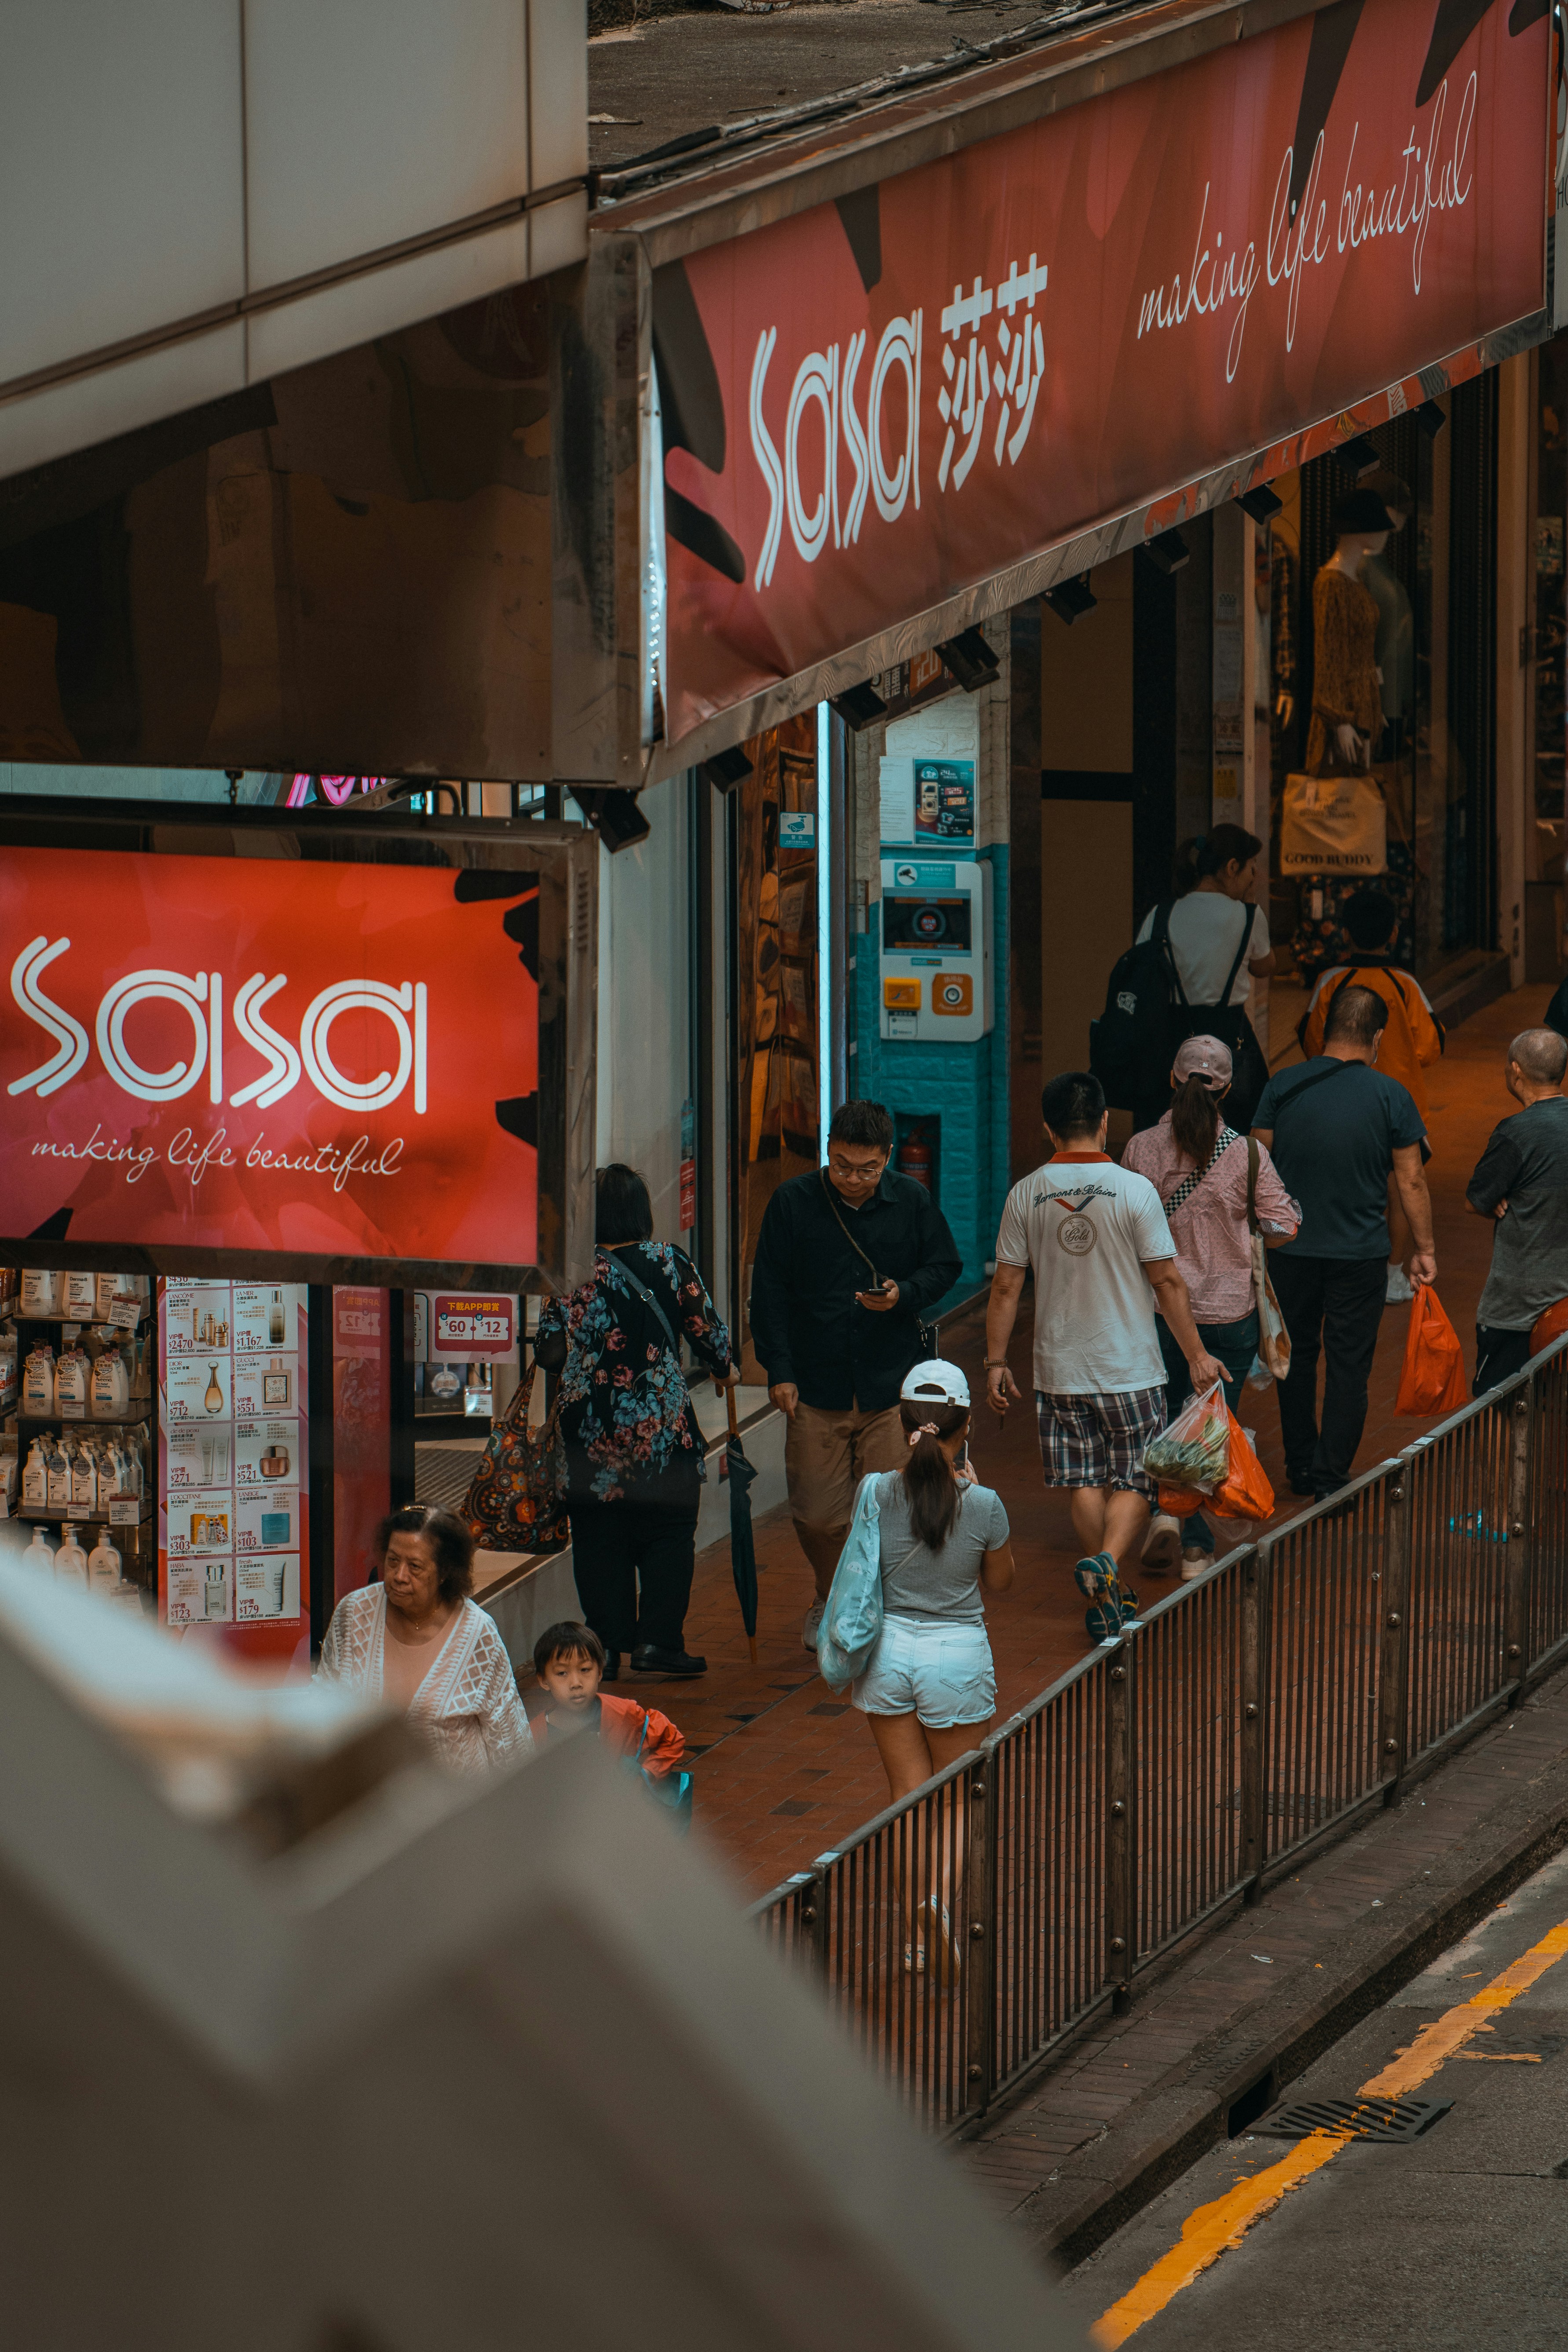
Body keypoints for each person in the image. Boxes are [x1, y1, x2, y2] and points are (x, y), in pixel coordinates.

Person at [985, 1071, 1228, 1641]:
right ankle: (1110, 1569)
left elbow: (1004, 1288)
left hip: (1058, 1369)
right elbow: (1166, 1281)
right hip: (1129, 1367)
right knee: (1137, 1483)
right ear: (1105, 1123)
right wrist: (1196, 1355)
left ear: (1047, 1129)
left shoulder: (1025, 1194)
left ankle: (1109, 1593)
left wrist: (996, 1362)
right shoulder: (1134, 1191)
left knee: (1084, 1483)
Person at [749, 1099, 961, 1654]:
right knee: (819, 1517)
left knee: (892, 1510)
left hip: (890, 1384)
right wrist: (780, 1368)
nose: (854, 1179)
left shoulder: (910, 1199)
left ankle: (874, 1610)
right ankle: (830, 1593)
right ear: (827, 1150)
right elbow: (768, 1291)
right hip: (814, 1385)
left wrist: (902, 1295)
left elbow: (944, 1265)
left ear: (887, 1157)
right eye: (843, 1165)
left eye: (867, 1169)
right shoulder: (793, 1203)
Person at [534, 1164, 734, 1682]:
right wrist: (722, 1365)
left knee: (599, 1537)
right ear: (641, 1212)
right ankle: (660, 1642)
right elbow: (706, 1330)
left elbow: (551, 1353)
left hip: (588, 1429)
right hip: (661, 1428)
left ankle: (608, 1648)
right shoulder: (668, 1259)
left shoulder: (571, 1269)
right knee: (668, 1532)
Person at [851, 1362, 1013, 1975]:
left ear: (903, 1425)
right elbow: (1000, 1581)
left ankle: (918, 1941)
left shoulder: (873, 1491)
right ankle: (936, 1902)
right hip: (957, 1658)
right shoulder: (986, 1504)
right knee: (957, 1799)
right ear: (964, 1425)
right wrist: (979, 1495)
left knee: (907, 1799)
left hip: (887, 1657)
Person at [1122, 1036, 1299, 1577]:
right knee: (1210, 1426)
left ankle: (1162, 1513)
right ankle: (1196, 1548)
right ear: (1227, 1089)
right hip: (1231, 1317)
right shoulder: (1248, 1153)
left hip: (1158, 1314)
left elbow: (1125, 1230)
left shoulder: (1141, 1149)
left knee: (1162, 1416)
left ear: (1172, 1080)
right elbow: (1284, 1225)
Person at [1253, 984, 1435, 1499]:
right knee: (1349, 1365)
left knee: (1297, 1355)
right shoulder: (1391, 1095)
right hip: (1360, 1253)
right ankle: (1330, 1477)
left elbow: (1257, 1168)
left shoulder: (1281, 1085)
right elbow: (1411, 1181)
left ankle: (1298, 1464)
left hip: (1289, 1248)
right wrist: (1424, 1249)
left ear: (1326, 1030)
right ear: (1376, 1037)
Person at [1299, 887, 1444, 1303]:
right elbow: (1430, 1047)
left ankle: (1337, 1264)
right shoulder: (1404, 985)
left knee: (1340, 1182)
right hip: (1401, 1101)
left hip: (1335, 1102)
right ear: (1394, 934)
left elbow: (1312, 1042)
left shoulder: (1331, 981)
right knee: (1400, 1187)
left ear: (1344, 934)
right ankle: (1394, 1272)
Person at [317, 1503, 533, 1773]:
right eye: (393, 1560)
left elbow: (510, 1741)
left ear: (445, 1573)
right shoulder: (354, 1613)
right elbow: (322, 1712)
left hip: (455, 1806)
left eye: (415, 1567)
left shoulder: (477, 1633)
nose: (399, 1576)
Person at [1131, 824, 1276, 1132]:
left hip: (1170, 1038)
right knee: (1236, 1125)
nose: (1255, 878)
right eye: (1251, 869)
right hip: (1230, 1038)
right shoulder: (1249, 916)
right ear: (1232, 867)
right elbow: (1265, 966)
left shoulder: (1161, 913)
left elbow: (1139, 968)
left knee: (1169, 1127)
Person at [1465, 1029, 1568, 1394]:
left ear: (1515, 1071)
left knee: (1495, 1409)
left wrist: (1500, 1193)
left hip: (1517, 1309)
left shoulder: (1515, 1133)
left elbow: (1475, 1199)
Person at [527, 1621, 687, 1775]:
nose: (576, 1683)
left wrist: (647, 1775)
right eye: (562, 1673)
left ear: (600, 1672)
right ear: (544, 1680)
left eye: (585, 1670)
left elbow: (671, 1739)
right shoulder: (534, 1735)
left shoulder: (624, 1713)